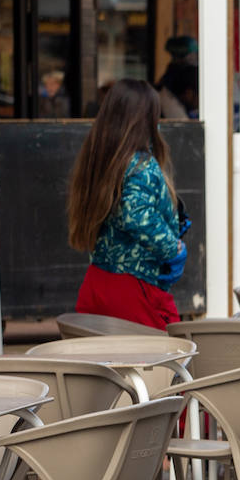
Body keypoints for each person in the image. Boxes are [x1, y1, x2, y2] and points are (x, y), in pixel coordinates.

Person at [68, 78, 189, 330]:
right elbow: (136, 215)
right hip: (135, 290)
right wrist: (173, 248)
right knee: (171, 362)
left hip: (97, 282)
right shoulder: (141, 165)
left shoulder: (101, 160)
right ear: (145, 119)